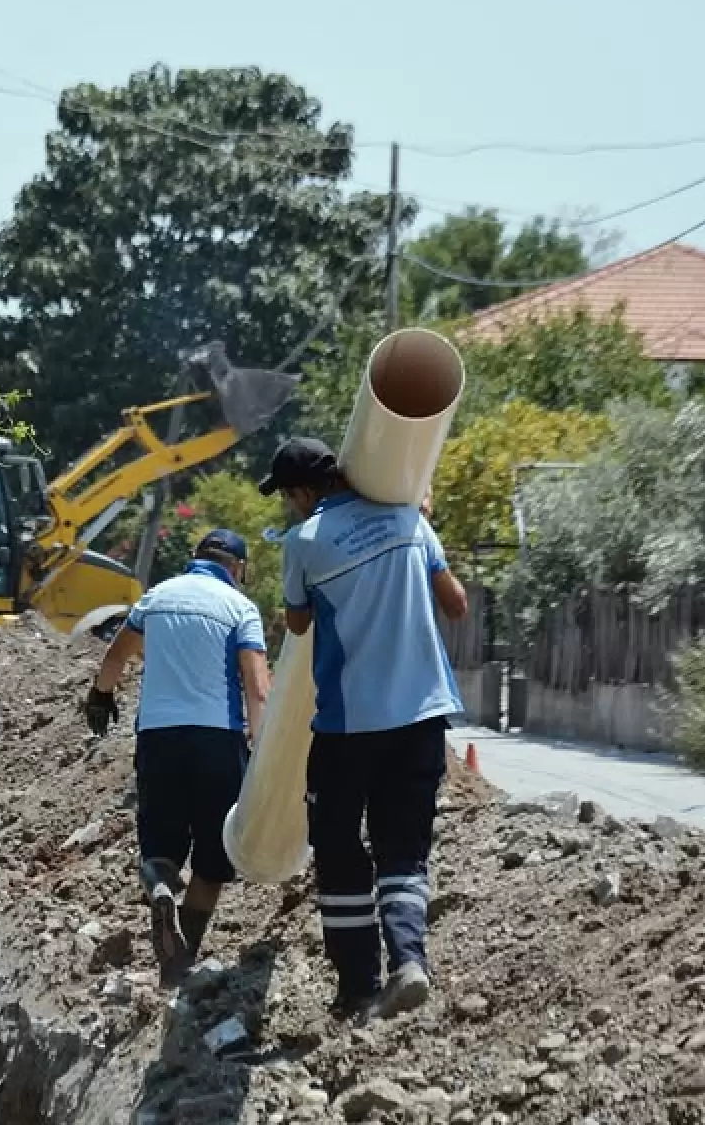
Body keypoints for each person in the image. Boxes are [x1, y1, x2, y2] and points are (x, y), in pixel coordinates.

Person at [260, 436, 469, 1019]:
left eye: (287, 497)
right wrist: (422, 532)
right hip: (423, 717)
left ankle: (356, 986)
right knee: (404, 848)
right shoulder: (410, 522)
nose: (289, 507)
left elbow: (298, 626)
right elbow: (456, 605)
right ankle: (409, 961)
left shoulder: (303, 542)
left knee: (338, 846)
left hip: (350, 727)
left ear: (303, 492)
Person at [85, 529, 271, 982]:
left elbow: (117, 654)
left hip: (159, 737)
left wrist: (100, 694)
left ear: (195, 558)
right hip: (218, 740)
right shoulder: (240, 608)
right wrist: (261, 748)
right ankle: (179, 961)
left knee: (160, 845)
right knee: (212, 858)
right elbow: (258, 687)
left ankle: (163, 889)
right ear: (238, 569)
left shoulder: (158, 597)